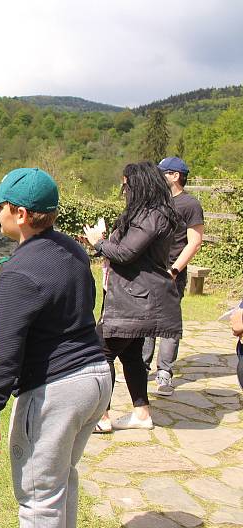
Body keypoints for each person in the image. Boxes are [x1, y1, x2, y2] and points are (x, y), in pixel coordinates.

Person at [0, 168, 111, 528]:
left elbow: (5, 347)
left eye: (0, 205)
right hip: (96, 379)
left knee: (38, 497)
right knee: (60, 481)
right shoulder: (72, 248)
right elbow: (91, 303)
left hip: (59, 390)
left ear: (20, 214)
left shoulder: (19, 272)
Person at [84, 162, 182, 432]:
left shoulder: (153, 215)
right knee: (132, 355)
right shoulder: (146, 214)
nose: (123, 189)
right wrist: (103, 242)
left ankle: (101, 417)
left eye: (125, 184)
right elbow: (125, 250)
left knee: (98, 352)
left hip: (135, 298)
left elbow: (127, 253)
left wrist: (98, 243)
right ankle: (141, 413)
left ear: (138, 184)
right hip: (131, 295)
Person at [141, 156, 204, 396]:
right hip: (149, 272)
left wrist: (174, 270)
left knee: (167, 325)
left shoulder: (190, 204)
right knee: (145, 323)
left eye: (162, 173)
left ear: (175, 176)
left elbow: (194, 242)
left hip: (172, 275)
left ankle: (164, 374)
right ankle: (140, 367)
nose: (158, 177)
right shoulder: (155, 202)